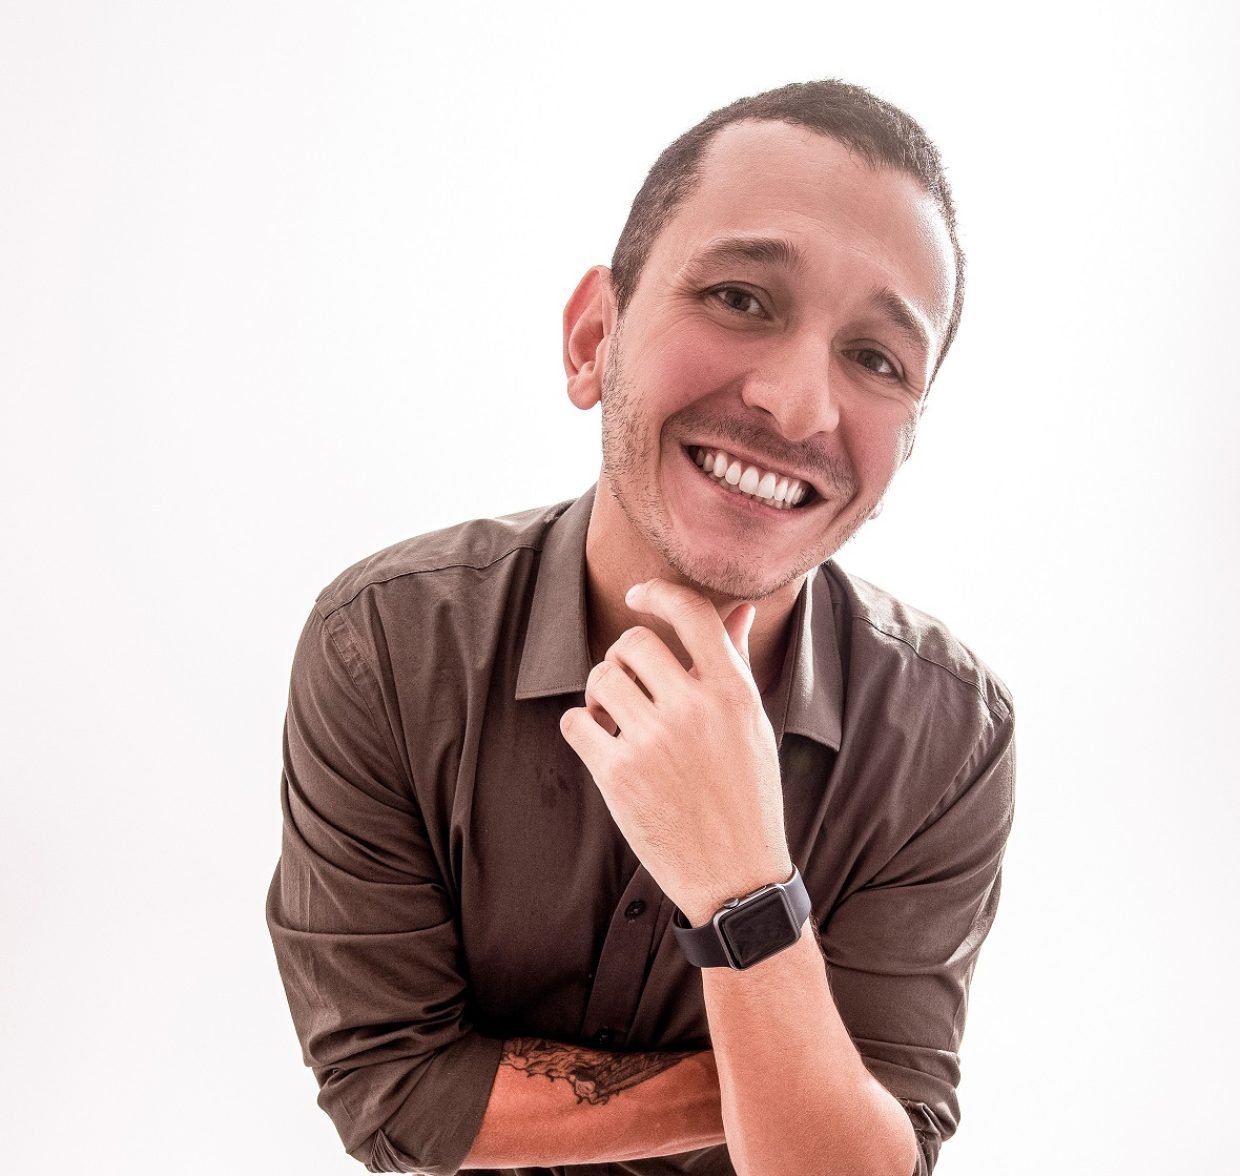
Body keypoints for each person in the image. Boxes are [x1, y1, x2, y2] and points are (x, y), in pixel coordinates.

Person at [267, 79, 1015, 1176]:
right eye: (741, 297)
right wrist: (785, 1077)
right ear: (593, 339)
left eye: (875, 360)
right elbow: (392, 1096)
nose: (798, 405)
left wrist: (743, 884)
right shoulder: (384, 646)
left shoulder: (948, 739)